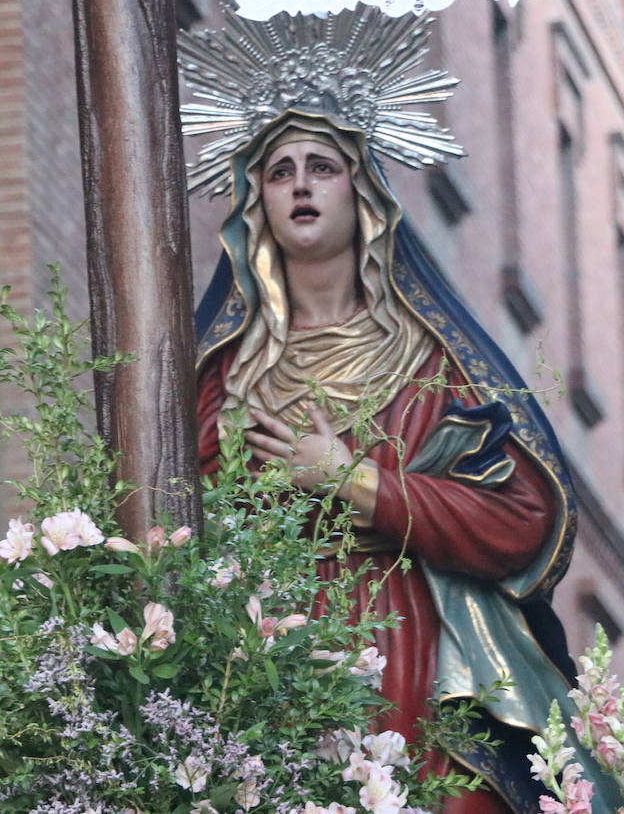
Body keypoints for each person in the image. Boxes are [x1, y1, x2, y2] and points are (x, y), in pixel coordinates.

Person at [192, 108, 598, 812]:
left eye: (322, 167)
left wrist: (356, 480)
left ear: (365, 194)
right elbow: (170, 522)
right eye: (280, 173)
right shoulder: (225, 376)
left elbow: (522, 519)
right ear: (256, 202)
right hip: (266, 648)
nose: (300, 187)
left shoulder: (433, 360)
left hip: (411, 628)